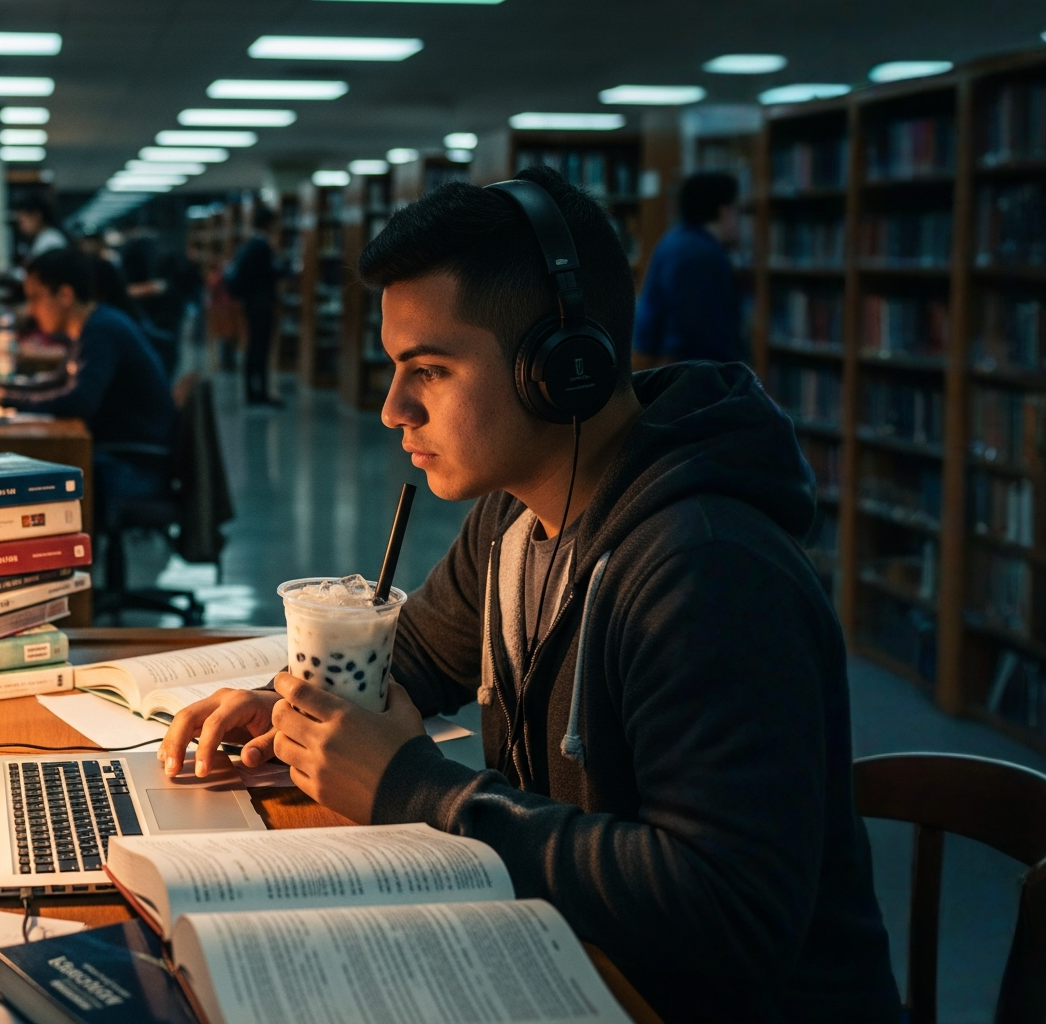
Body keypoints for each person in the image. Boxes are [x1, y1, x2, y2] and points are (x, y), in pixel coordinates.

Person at [158, 167, 899, 1023]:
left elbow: (726, 915)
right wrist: (293, 704)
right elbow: (420, 658)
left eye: (428, 369)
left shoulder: (707, 572)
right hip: (572, 962)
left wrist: (411, 788)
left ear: (562, 367)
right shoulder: (514, 518)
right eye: (395, 368)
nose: (394, 407)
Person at [0, 247, 176, 516]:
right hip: (127, 457)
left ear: (65, 295)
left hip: (135, 468)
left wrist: (3, 398)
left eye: (36, 298)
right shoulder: (94, 325)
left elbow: (78, 401)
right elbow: (56, 382)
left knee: (23, 477)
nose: (31, 310)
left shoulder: (101, 331)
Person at [631, 171, 744, 367]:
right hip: (687, 378)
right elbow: (684, 336)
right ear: (724, 211)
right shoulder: (698, 254)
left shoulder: (676, 238)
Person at [224, 207, 280, 405]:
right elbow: (266, 274)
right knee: (260, 347)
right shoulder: (261, 245)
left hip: (251, 301)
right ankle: (259, 393)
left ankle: (252, 392)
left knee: (253, 346)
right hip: (261, 302)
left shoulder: (248, 244)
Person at [11, 194, 68, 263]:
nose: (19, 227)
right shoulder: (42, 238)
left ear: (36, 217)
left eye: (21, 222)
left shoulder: (50, 241)